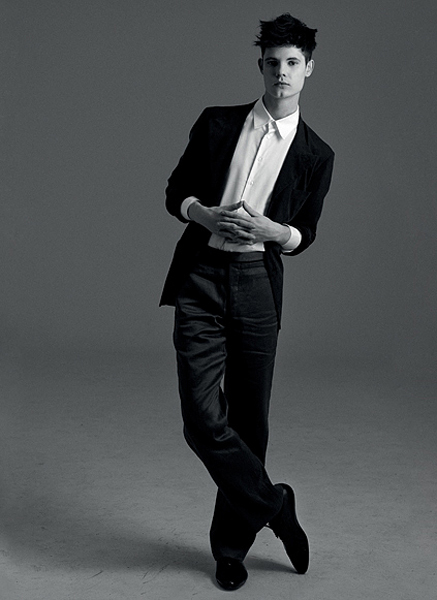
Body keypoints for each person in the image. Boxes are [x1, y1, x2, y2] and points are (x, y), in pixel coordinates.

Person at [160, 13, 334, 591]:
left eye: (292, 63)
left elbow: (305, 234)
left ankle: (231, 549)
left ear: (308, 69)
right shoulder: (217, 122)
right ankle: (275, 506)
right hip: (202, 278)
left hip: (258, 281)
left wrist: (272, 230)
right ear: (260, 67)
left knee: (250, 422)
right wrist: (202, 214)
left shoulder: (316, 153)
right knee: (202, 419)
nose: (282, 72)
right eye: (273, 62)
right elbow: (175, 191)